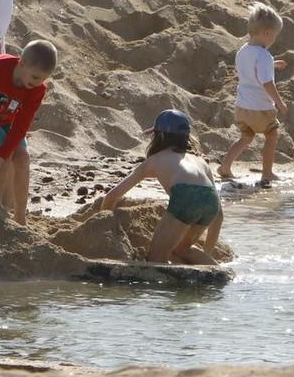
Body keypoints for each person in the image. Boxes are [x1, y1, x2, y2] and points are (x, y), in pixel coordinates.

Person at [94, 109, 225, 265]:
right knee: (180, 250)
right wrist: (207, 253)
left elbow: (113, 195)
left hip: (186, 197)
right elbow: (219, 214)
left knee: (155, 260)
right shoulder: (200, 161)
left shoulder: (155, 160)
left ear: (160, 136)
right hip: (210, 202)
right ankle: (218, 272)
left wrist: (102, 223)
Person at [0, 39, 57, 224]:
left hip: (8, 118)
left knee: (22, 158)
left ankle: (20, 218)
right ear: (21, 63)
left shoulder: (37, 90)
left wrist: (1, 158)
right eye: (35, 77)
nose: (38, 83)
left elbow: (22, 126)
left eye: (43, 79)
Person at [219, 2, 289, 186]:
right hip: (261, 109)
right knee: (272, 135)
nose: (274, 40)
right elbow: (267, 82)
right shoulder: (264, 55)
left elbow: (251, 71)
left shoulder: (243, 51)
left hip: (242, 107)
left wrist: (272, 65)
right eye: (274, 36)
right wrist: (279, 103)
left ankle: (225, 167)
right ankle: (267, 173)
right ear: (267, 33)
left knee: (245, 138)